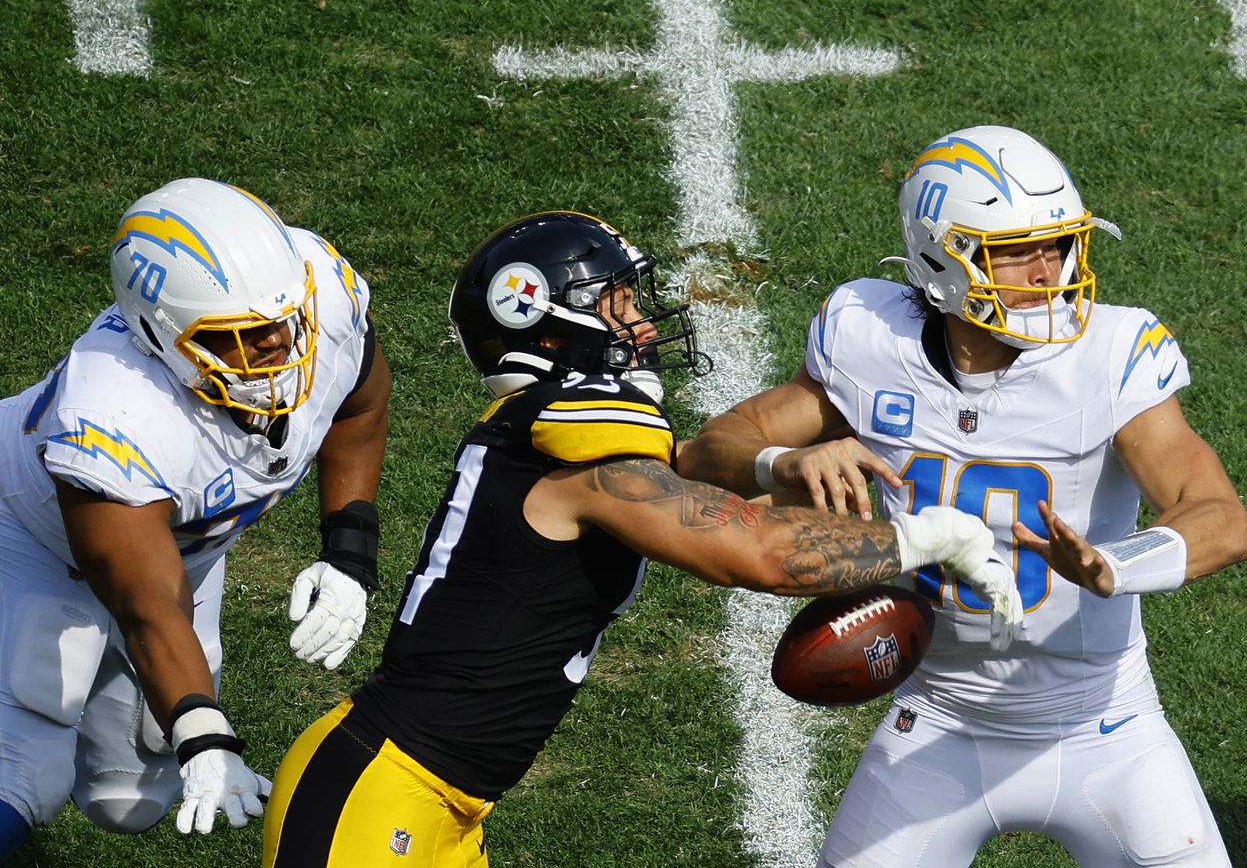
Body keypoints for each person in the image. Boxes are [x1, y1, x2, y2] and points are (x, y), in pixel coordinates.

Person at [260, 211, 1019, 868]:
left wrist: (778, 461)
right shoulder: (572, 440)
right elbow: (747, 547)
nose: (646, 323)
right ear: (544, 318)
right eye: (619, 302)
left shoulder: (553, 430)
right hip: (379, 791)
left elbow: (691, 475)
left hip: (435, 796)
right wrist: (932, 536)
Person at [679, 125, 1247, 867]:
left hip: (1107, 727)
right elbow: (707, 452)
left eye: (1060, 244)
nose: (1050, 271)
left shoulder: (1111, 354)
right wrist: (782, 461)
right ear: (939, 259)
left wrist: (1113, 564)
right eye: (1017, 250)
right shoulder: (868, 337)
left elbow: (1222, 518)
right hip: (939, 719)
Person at [0, 177, 392, 856]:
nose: (279, 347)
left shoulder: (315, 295)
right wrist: (206, 735)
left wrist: (349, 550)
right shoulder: (115, 410)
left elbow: (358, 406)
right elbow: (146, 603)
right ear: (160, 334)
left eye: (284, 322)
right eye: (241, 337)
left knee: (131, 794)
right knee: (25, 771)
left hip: (181, 550)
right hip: (33, 537)